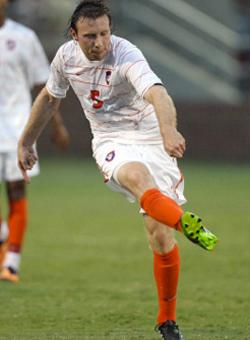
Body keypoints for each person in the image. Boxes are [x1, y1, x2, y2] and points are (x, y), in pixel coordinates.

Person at [17, 1, 218, 339]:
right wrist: (26, 141)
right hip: (111, 139)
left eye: (105, 34)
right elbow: (50, 98)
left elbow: (158, 94)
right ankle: (185, 222)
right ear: (74, 35)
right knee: (137, 178)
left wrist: (169, 131)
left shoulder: (126, 54)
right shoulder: (65, 57)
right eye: (91, 36)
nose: (100, 42)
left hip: (152, 135)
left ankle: (167, 321)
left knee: (159, 234)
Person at [0, 0, 70, 283]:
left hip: (17, 129)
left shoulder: (24, 38)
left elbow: (45, 85)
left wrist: (56, 125)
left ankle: (11, 263)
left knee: (16, 192)